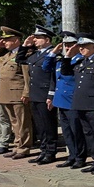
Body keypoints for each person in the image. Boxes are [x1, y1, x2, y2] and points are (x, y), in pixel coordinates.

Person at [62, 34, 94, 175]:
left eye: (84, 46)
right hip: (80, 104)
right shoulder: (81, 62)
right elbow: (66, 72)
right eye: (80, 46)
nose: (81, 49)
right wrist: (67, 56)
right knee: (88, 134)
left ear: (93, 47)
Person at [0, 26, 32, 160]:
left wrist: (26, 93)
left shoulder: (24, 54)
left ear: (16, 40)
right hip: (6, 93)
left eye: (7, 40)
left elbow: (26, 76)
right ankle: (17, 146)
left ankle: (24, 148)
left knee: (23, 122)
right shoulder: (5, 54)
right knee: (14, 122)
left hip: (18, 93)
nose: (4, 42)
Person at [45, 34, 87, 168]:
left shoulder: (80, 60)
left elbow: (69, 77)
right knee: (67, 131)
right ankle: (72, 156)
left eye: (70, 45)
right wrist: (53, 52)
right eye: (65, 45)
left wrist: (68, 57)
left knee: (76, 131)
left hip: (72, 100)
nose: (67, 48)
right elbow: (46, 69)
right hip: (60, 100)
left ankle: (80, 157)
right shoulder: (61, 60)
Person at [20, 26, 59, 164]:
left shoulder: (53, 54)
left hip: (45, 94)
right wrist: (25, 45)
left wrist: (51, 95)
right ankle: (43, 150)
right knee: (40, 125)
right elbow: (20, 60)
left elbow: (54, 76)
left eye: (38, 38)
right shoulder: (34, 55)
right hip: (35, 93)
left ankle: (50, 152)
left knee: (48, 124)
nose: (35, 40)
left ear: (47, 39)